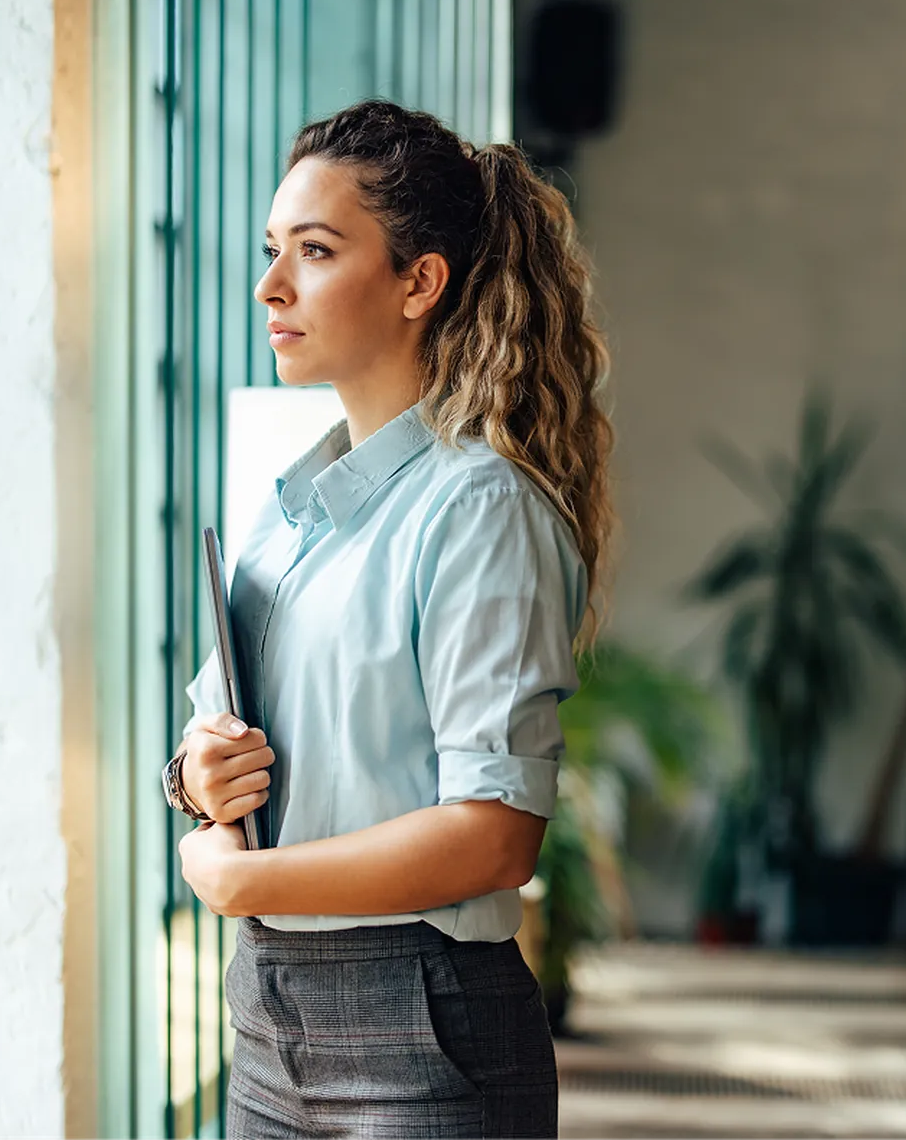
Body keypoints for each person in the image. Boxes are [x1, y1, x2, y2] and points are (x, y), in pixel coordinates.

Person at [167, 98, 615, 1139]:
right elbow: (215, 746)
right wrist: (193, 778)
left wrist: (243, 878)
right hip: (268, 1021)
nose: (270, 286)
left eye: (316, 252)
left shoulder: (480, 508)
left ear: (421, 281)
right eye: (274, 250)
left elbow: (495, 835)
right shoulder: (287, 512)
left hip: (423, 1029)